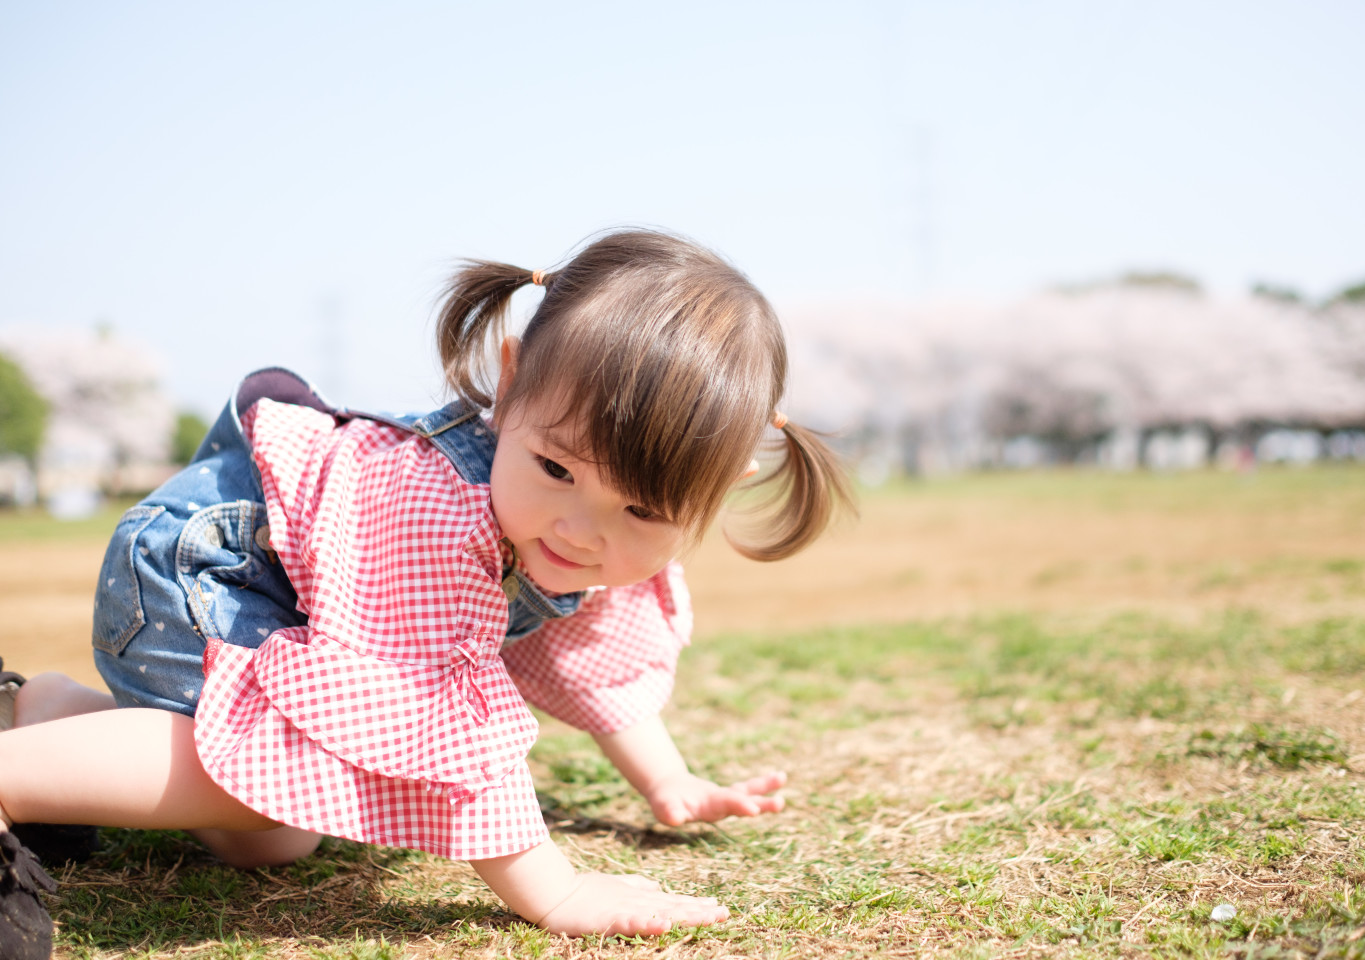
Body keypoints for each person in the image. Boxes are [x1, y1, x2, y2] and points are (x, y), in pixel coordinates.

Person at [0, 229, 852, 952]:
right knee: (249, 781)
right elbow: (438, 709)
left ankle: (43, 712)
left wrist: (670, 783)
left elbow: (590, 655)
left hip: (268, 589)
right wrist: (550, 889)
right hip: (210, 568)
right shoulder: (436, 514)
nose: (582, 530)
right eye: (554, 468)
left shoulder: (564, 535)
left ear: (717, 487)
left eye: (640, 510)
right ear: (511, 381)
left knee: (275, 838)